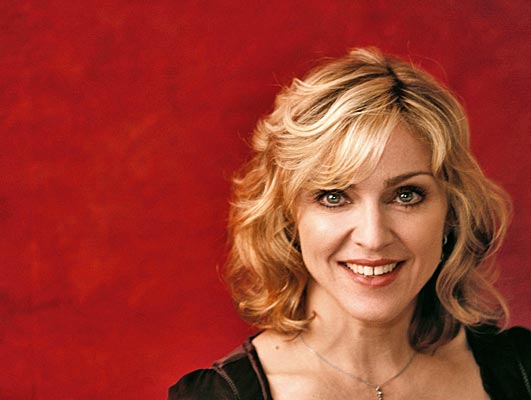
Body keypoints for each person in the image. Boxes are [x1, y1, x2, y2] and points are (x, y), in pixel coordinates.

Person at [168, 48, 531, 399]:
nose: (373, 237)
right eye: (334, 196)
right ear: (288, 215)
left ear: (452, 211)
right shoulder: (216, 397)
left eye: (406, 195)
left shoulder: (523, 370)